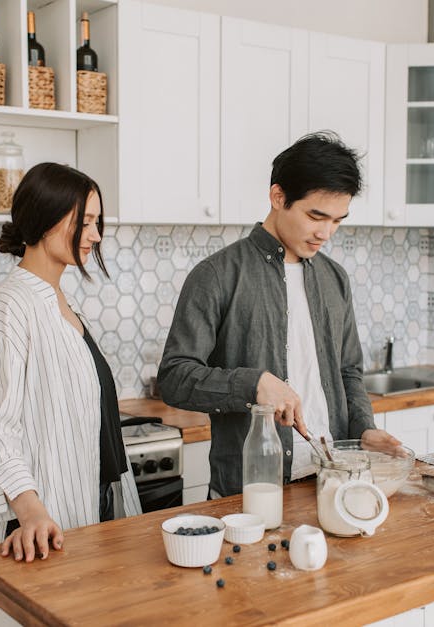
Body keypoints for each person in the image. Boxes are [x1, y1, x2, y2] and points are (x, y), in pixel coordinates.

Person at [158, 131, 404, 498]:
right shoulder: (217, 275)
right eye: (315, 216)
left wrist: (363, 428)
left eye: (338, 220)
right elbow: (174, 378)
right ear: (278, 197)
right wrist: (253, 384)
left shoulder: (335, 278)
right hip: (250, 491)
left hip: (331, 482)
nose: (326, 233)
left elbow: (348, 370)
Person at [0, 162, 141, 619]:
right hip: (37, 526)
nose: (96, 235)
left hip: (82, 504)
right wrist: (31, 511)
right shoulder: (8, 309)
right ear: (44, 216)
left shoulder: (57, 300)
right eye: (85, 220)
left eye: (98, 221)